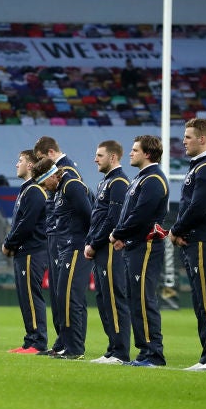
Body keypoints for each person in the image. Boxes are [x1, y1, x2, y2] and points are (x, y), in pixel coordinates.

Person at [171, 119, 206, 372]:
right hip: (197, 239)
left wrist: (176, 230)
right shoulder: (200, 167)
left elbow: (198, 207)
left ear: (202, 139)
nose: (183, 141)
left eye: (188, 136)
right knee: (200, 300)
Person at [110, 135, 170, 367]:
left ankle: (154, 353)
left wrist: (119, 233)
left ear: (147, 153)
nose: (131, 153)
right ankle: (144, 351)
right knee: (136, 299)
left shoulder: (154, 179)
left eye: (135, 150)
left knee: (144, 299)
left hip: (146, 247)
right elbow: (132, 213)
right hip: (134, 246)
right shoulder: (141, 179)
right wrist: (124, 237)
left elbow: (141, 215)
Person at [83, 140, 132, 365]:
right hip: (101, 248)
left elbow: (113, 219)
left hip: (110, 249)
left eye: (99, 155)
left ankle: (120, 352)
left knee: (114, 298)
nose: (95, 159)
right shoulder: (107, 182)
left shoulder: (119, 182)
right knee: (104, 299)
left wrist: (94, 243)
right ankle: (112, 349)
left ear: (113, 157)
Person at [33, 136, 82, 355]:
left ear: (51, 153)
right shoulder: (60, 176)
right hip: (58, 235)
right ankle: (62, 342)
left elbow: (83, 210)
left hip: (68, 238)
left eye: (42, 159)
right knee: (56, 293)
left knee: (67, 294)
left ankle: (70, 343)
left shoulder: (67, 174)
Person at [46, 148, 94, 360]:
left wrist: (90, 242)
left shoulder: (72, 185)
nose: (44, 189)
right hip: (67, 246)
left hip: (76, 246)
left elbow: (89, 214)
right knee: (63, 297)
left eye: (43, 183)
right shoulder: (61, 189)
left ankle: (75, 348)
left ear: (51, 176)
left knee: (71, 297)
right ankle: (66, 344)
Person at [2, 152, 50, 354]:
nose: (16, 164)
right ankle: (30, 340)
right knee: (25, 296)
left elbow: (26, 224)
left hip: (32, 251)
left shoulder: (35, 191)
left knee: (31, 295)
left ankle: (38, 341)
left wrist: (9, 243)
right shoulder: (27, 190)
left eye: (20, 161)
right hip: (25, 251)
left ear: (30, 165)